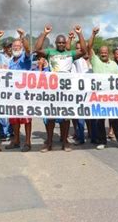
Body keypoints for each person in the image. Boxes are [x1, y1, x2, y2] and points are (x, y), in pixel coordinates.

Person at [34, 24, 87, 152]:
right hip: (52, 90)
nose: (62, 44)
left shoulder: (71, 54)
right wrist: (44, 33)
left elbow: (84, 51)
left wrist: (79, 34)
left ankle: (65, 142)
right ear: (56, 43)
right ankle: (49, 142)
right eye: (59, 43)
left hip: (66, 91)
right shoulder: (50, 52)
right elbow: (37, 49)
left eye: (63, 43)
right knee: (50, 117)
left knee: (65, 118)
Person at [89, 27, 118, 151]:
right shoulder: (95, 61)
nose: (103, 54)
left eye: (105, 52)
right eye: (102, 52)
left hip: (112, 98)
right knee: (100, 121)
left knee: (117, 120)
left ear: (108, 53)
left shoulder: (113, 64)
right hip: (99, 97)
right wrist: (93, 34)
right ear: (99, 53)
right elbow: (89, 47)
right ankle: (102, 141)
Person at [5, 29, 33, 152]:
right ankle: (16, 140)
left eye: (18, 46)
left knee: (26, 119)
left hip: (25, 94)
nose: (16, 48)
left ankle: (27, 142)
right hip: (13, 94)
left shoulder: (25, 58)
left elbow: (28, 50)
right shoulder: (11, 61)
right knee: (14, 119)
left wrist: (23, 37)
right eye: (14, 46)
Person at [71, 40, 93, 145]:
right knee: (79, 116)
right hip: (79, 92)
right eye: (78, 48)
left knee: (91, 116)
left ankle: (91, 134)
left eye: (82, 48)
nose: (81, 50)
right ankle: (80, 137)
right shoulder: (76, 61)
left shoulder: (93, 60)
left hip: (91, 92)